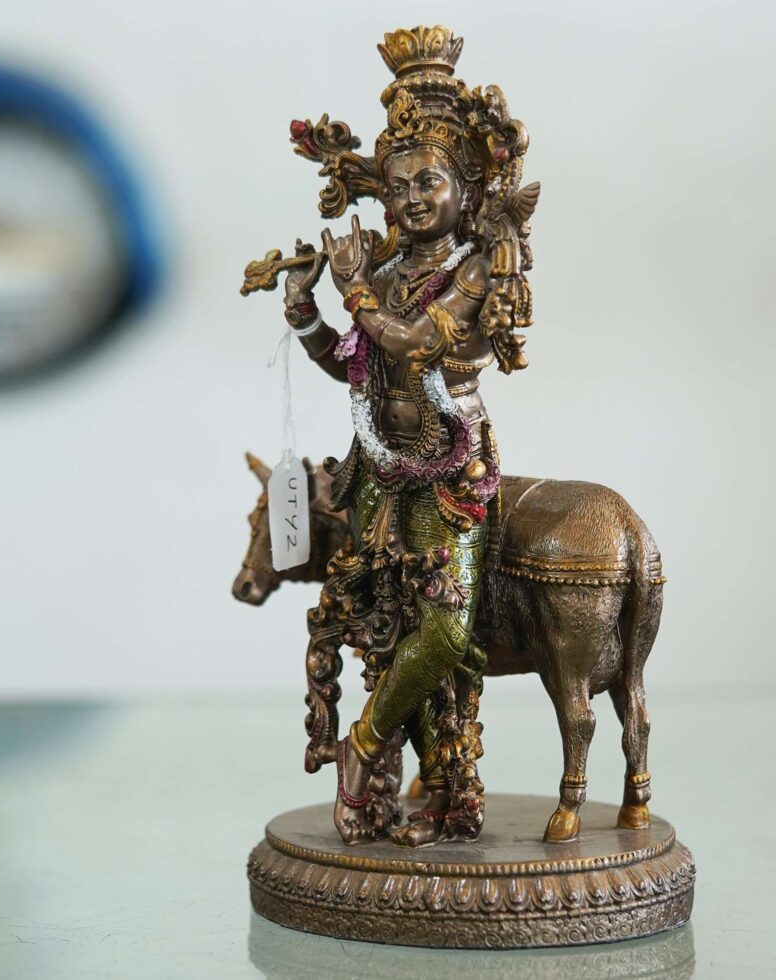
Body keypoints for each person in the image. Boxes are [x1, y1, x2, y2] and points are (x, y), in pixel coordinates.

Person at [279, 27, 537, 847]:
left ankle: (363, 749)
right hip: (379, 476)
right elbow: (354, 364)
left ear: (466, 185)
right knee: (390, 631)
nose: (413, 198)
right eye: (398, 186)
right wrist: (306, 312)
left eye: (429, 180)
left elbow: (416, 344)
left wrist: (354, 292)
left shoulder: (472, 269)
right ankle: (442, 793)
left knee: (448, 632)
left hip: (449, 472)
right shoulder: (387, 271)